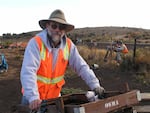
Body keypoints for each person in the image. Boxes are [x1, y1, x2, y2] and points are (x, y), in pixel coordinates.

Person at [20, 9, 105, 110]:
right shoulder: (36, 43)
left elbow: (82, 67)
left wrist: (95, 85)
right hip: (34, 100)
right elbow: (28, 71)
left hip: (54, 99)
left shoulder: (69, 46)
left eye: (61, 27)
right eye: (54, 26)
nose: (58, 30)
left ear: (65, 30)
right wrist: (33, 97)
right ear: (47, 26)